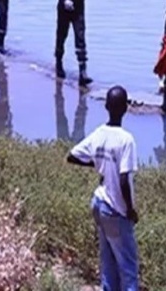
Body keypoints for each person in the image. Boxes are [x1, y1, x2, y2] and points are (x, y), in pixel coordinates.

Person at [67, 85, 139, 291]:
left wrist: (99, 164)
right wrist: (130, 210)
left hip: (99, 204)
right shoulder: (126, 140)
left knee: (108, 263)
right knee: (128, 268)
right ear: (125, 108)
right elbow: (124, 181)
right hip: (116, 209)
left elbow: (72, 156)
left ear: (106, 106)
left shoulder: (99, 133)